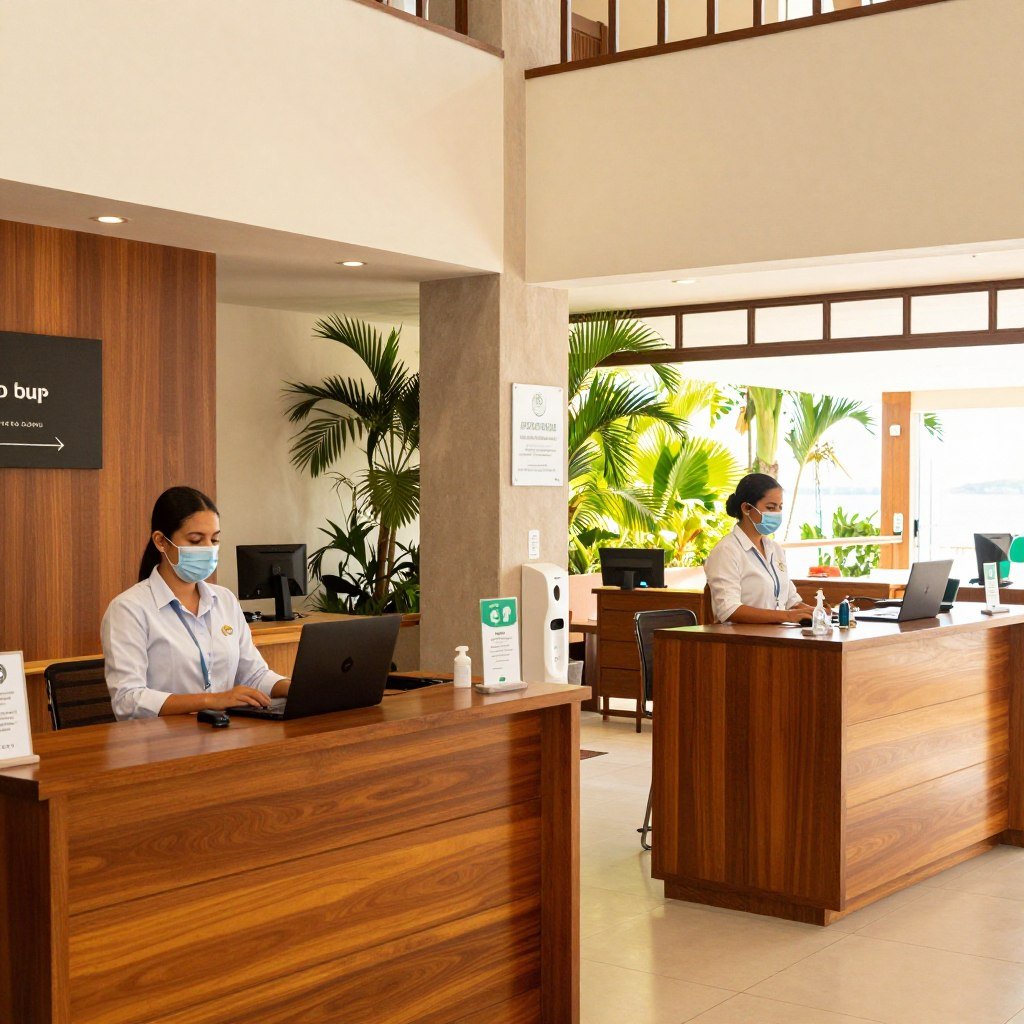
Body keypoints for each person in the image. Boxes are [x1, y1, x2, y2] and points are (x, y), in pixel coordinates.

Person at [102, 486, 290, 720]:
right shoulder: (128, 609)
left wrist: (296, 687)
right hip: (162, 744)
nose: (208, 549)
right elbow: (128, 700)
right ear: (161, 541)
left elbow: (253, 675)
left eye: (214, 539)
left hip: (225, 736)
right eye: (195, 540)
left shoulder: (225, 600)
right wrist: (211, 700)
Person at [704, 472, 816, 625]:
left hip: (778, 636)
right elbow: (729, 609)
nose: (776, 513)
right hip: (742, 642)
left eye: (780, 507)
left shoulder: (775, 549)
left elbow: (791, 601)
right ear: (747, 508)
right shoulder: (726, 551)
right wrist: (788, 616)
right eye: (770, 507)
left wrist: (819, 613)